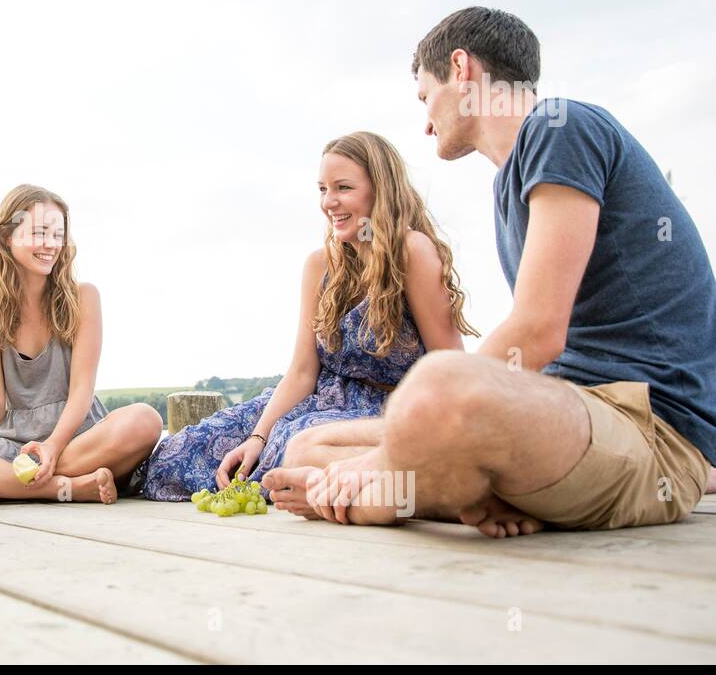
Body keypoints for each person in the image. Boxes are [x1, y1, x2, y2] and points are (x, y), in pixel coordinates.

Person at [267, 7, 716, 536]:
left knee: (438, 387)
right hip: (568, 416)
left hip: (645, 428)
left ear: (462, 69)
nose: (427, 121)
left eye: (425, 96)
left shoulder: (561, 127)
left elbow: (537, 331)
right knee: (309, 445)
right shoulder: (512, 181)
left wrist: (382, 459)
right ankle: (459, 492)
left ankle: (390, 491)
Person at [141, 132, 477, 501]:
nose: (329, 202)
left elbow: (449, 364)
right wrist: (257, 436)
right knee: (178, 455)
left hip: (386, 410)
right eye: (322, 189)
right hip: (318, 398)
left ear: (381, 190)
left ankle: (408, 481)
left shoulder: (412, 250)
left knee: (295, 447)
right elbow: (302, 371)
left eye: (343, 187)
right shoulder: (320, 265)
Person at [0, 184, 163, 503]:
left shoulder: (83, 297)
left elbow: (81, 390)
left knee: (145, 419)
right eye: (39, 232)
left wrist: (52, 446)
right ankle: (63, 488)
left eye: (57, 234)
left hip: (79, 440)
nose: (51, 244)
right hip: (12, 446)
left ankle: (9, 483)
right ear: (7, 237)